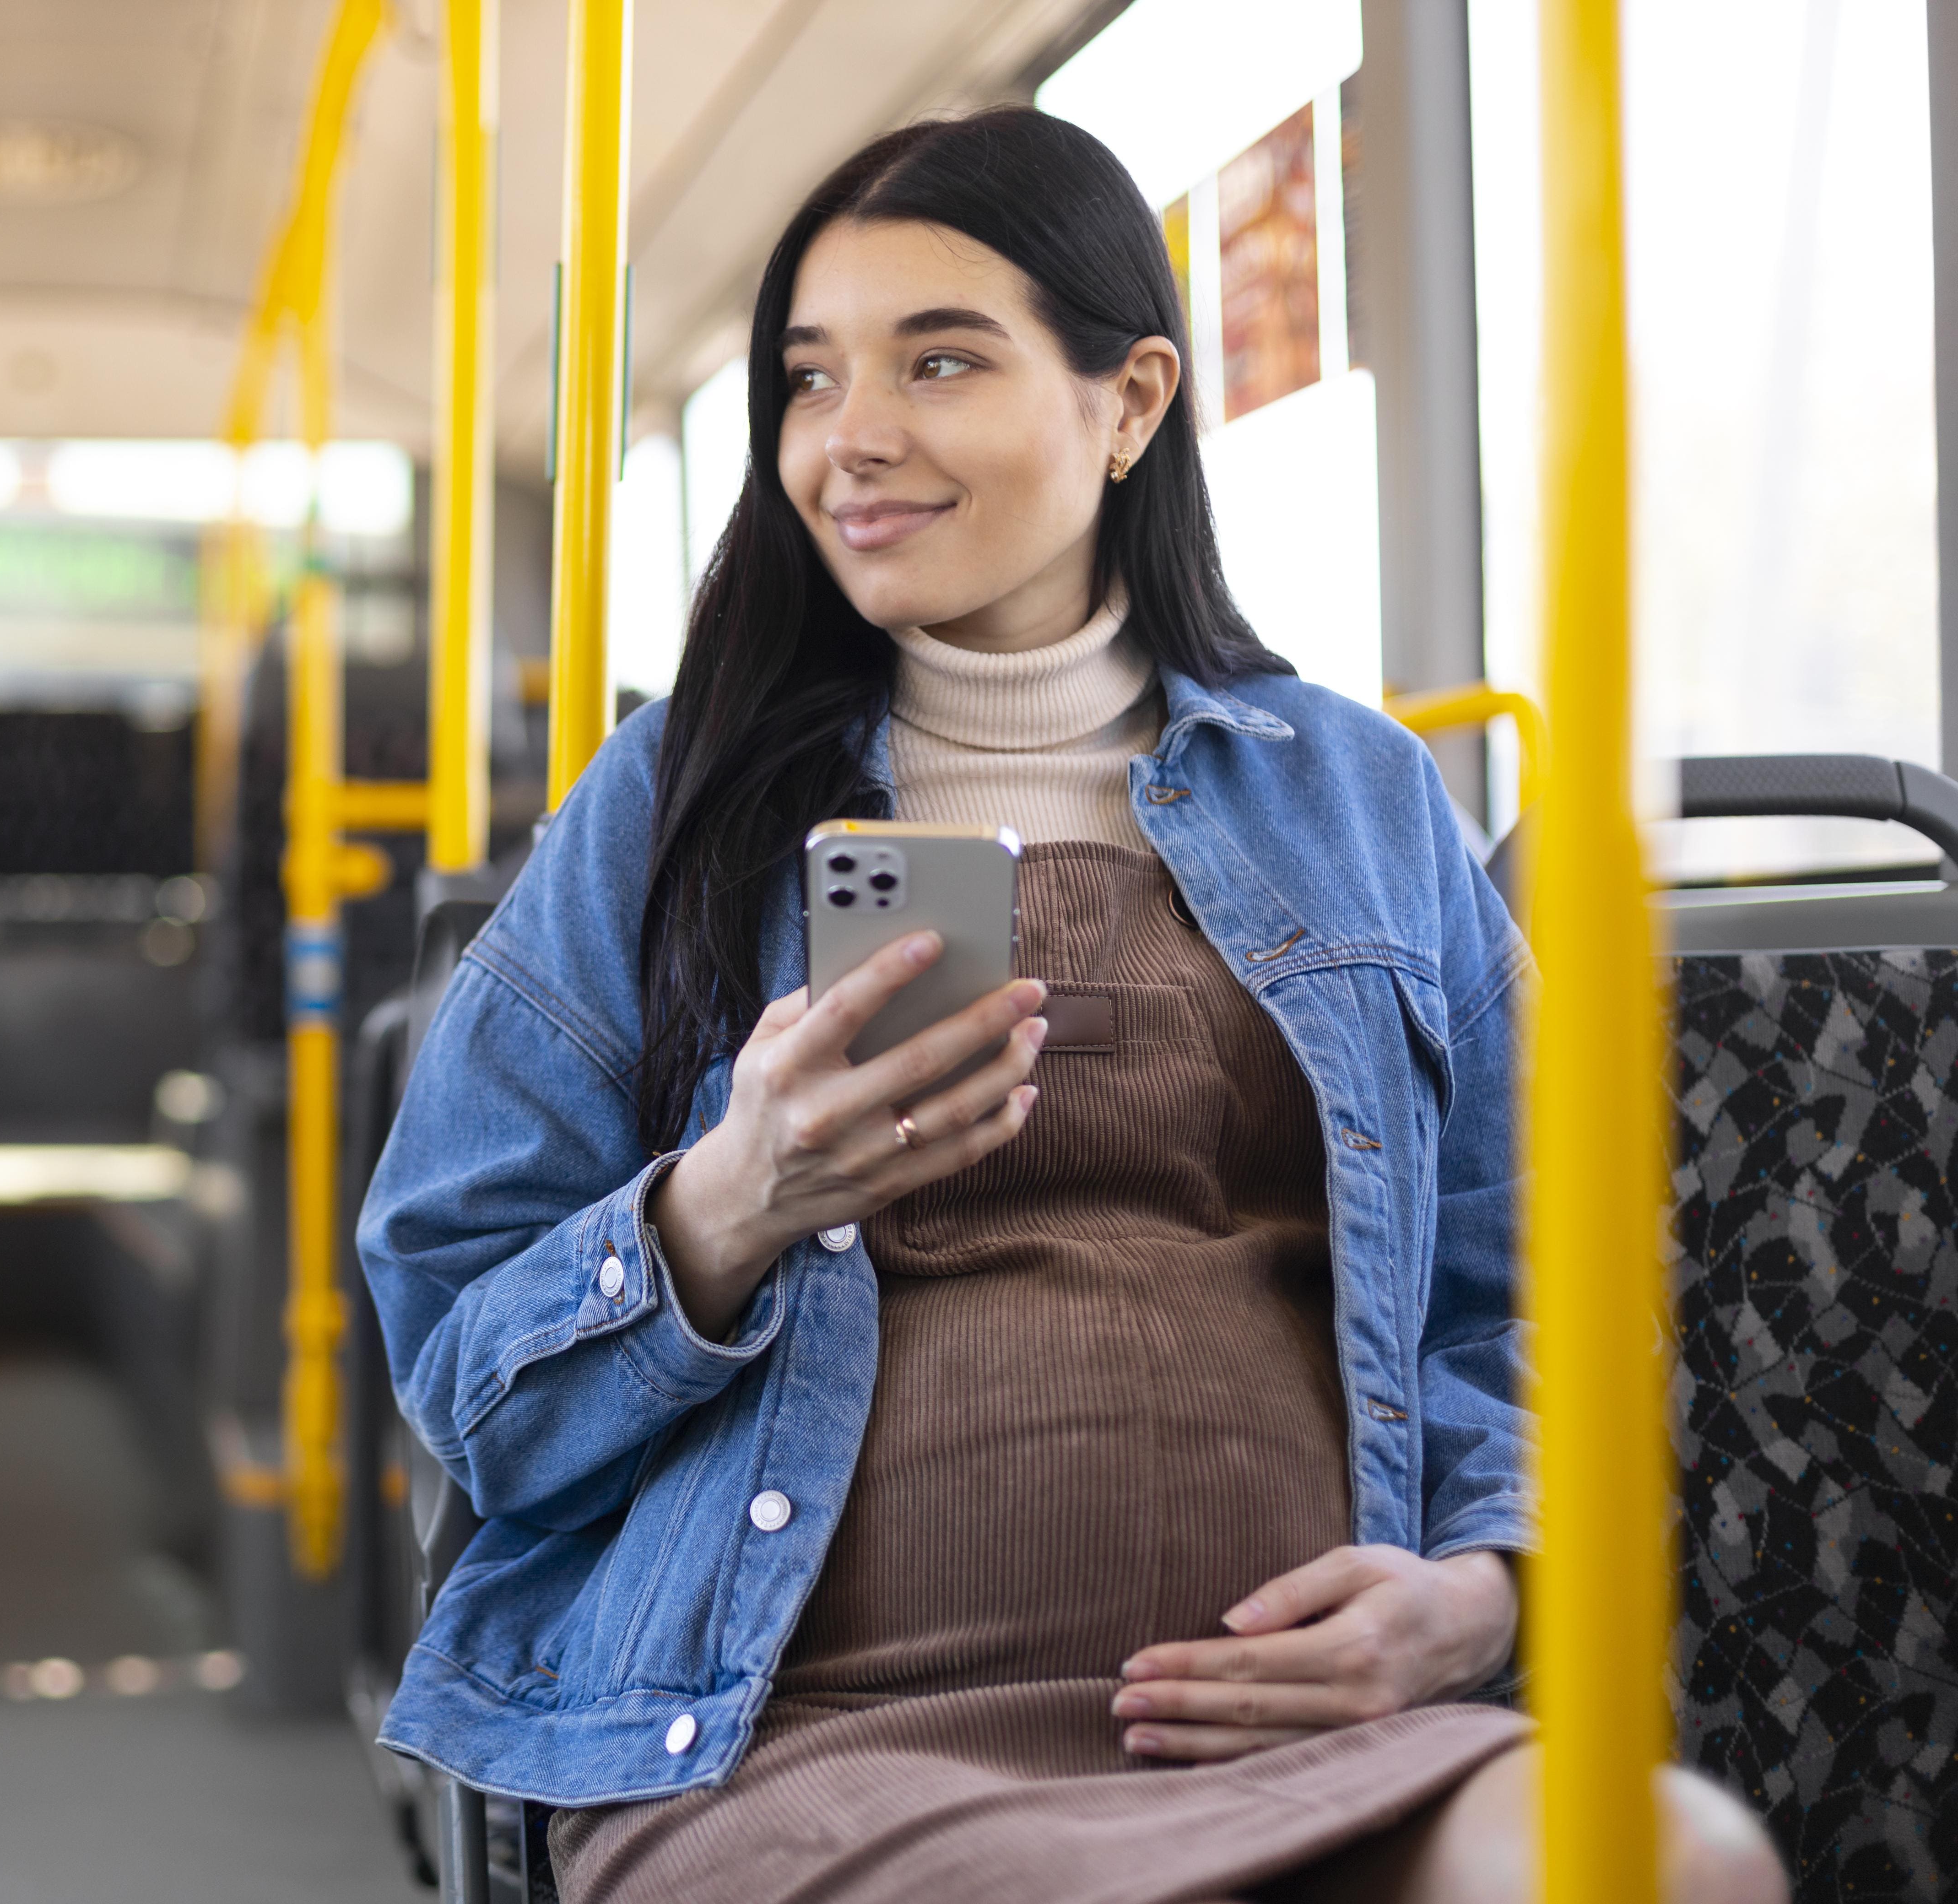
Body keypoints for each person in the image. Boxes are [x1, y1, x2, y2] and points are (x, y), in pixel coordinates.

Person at [357, 108, 1783, 1902]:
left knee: (1684, 1862)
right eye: (809, 378)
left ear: (1131, 402)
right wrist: (723, 1207)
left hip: (1308, 1726)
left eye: (937, 359)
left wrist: (1482, 1585)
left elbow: (1544, 1291)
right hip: (792, 1732)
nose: (849, 440)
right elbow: (461, 1380)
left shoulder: (1354, 795)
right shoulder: (666, 811)